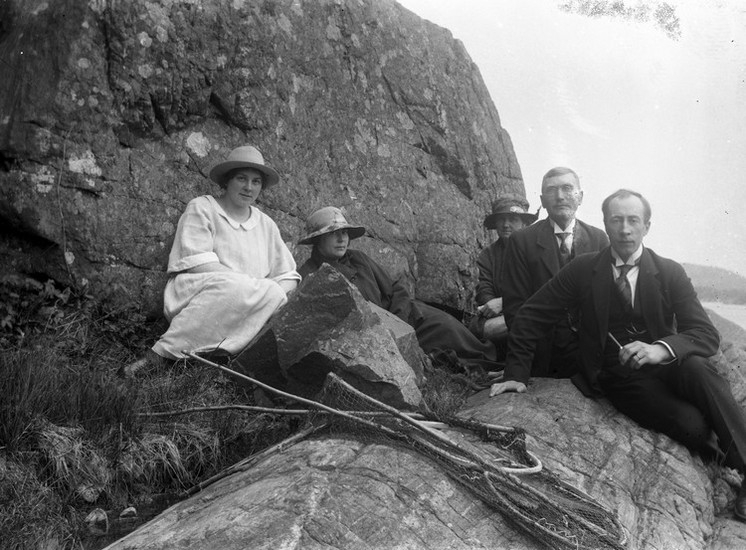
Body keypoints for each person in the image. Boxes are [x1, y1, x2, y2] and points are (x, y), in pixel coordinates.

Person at [490, 189, 746, 521]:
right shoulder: (584, 268)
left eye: (633, 221)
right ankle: (726, 449)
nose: (625, 229)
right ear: (606, 225)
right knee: (693, 425)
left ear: (646, 226)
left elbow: (704, 333)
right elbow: (530, 315)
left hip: (669, 362)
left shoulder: (669, 271)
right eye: (616, 220)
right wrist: (515, 374)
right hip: (618, 373)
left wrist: (660, 349)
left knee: (699, 370)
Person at [298, 206, 499, 373]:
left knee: (447, 326)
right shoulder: (310, 275)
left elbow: (395, 288)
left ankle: (496, 359)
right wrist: (389, 333)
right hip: (374, 339)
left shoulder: (357, 258)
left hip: (404, 315)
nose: (341, 239)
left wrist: (400, 321)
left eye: (343, 233)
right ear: (317, 239)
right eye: (333, 234)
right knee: (448, 351)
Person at [150, 145, 301, 360]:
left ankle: (220, 356)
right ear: (227, 180)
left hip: (251, 301)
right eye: (241, 178)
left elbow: (288, 275)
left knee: (277, 296)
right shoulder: (202, 207)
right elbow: (197, 262)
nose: (248, 187)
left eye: (256, 182)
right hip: (202, 292)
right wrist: (252, 287)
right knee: (237, 288)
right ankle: (161, 354)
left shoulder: (266, 224)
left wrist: (267, 293)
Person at [502, 167, 608, 378]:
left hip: (589, 356)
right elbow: (515, 310)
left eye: (567, 188)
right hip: (542, 356)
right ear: (542, 200)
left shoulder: (598, 239)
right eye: (551, 190)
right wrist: (521, 366)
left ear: (580, 197)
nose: (560, 197)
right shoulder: (522, 241)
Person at [471, 194, 537, 351]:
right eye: (501, 219)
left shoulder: (538, 249)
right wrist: (494, 307)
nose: (506, 225)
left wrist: (504, 302)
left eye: (513, 219)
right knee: (477, 328)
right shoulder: (488, 255)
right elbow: (485, 291)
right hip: (502, 319)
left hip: (533, 313)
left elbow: (544, 288)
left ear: (524, 223)